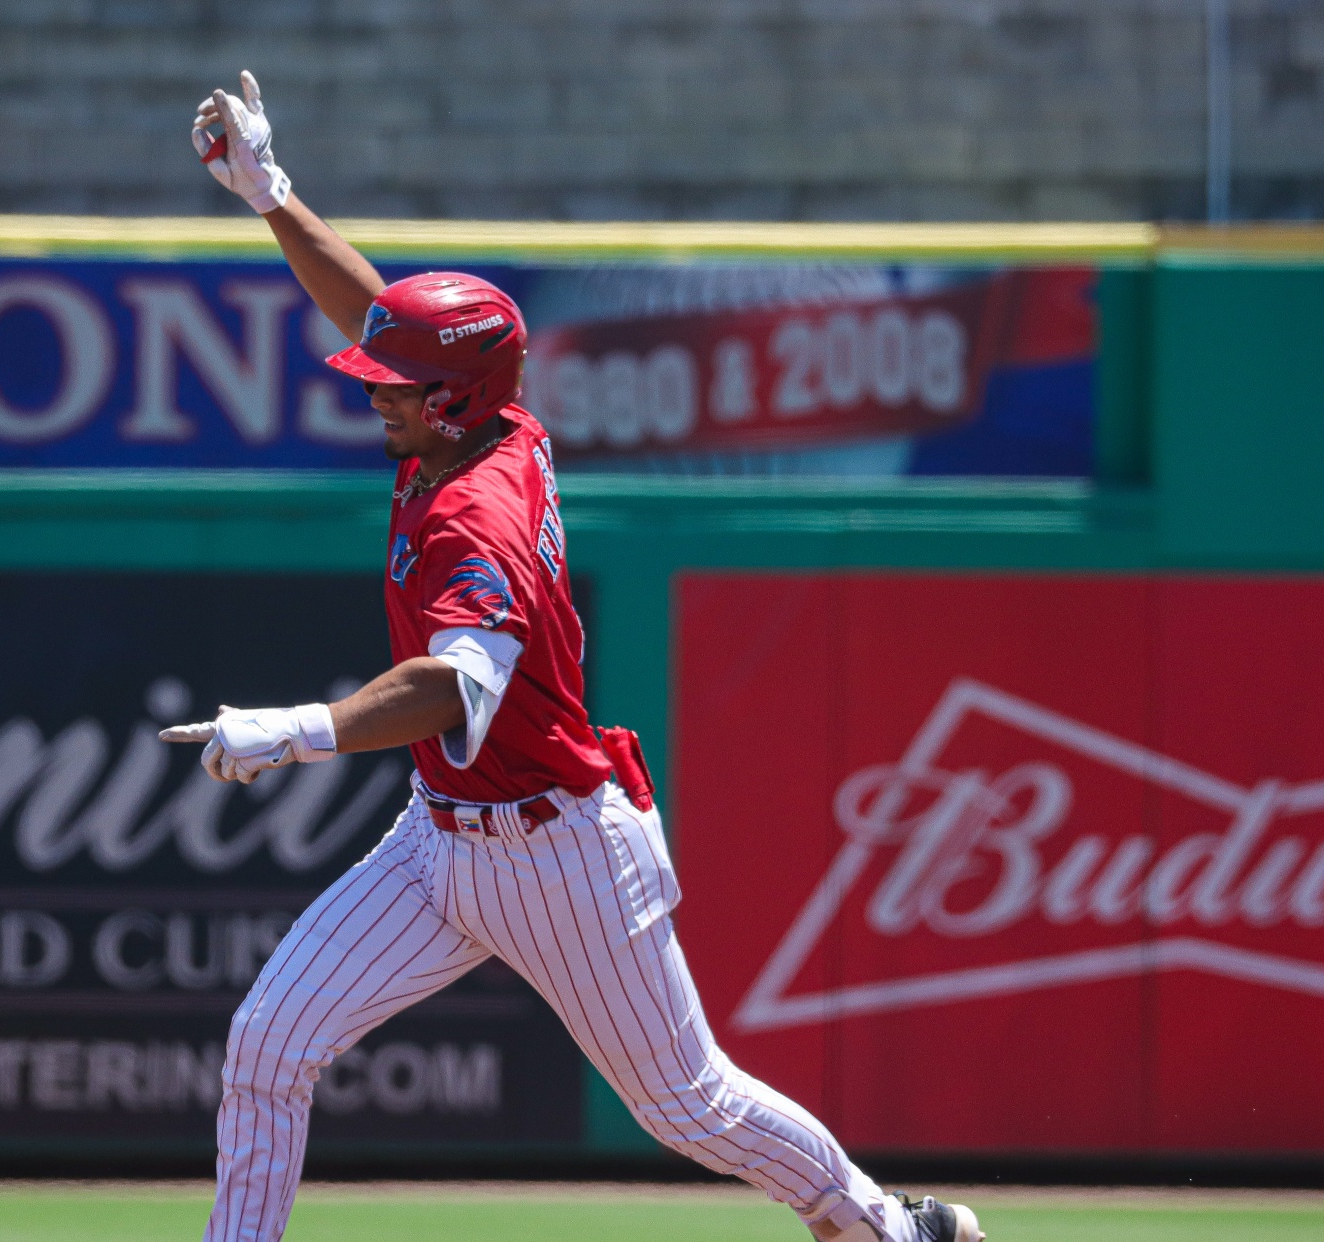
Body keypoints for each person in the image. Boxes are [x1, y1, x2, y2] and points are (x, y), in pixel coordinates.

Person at [161, 71, 984, 1242]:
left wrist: (293, 732)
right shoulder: (484, 425)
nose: (376, 394)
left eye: (399, 389)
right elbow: (378, 315)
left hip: (557, 851)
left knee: (687, 1104)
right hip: (441, 839)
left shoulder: (477, 514)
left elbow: (453, 686)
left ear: (454, 399)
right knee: (268, 1044)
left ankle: (888, 1228)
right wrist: (272, 195)